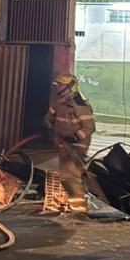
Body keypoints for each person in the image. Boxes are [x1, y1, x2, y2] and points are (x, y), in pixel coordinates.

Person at [44, 73, 96, 215]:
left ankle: (80, 211)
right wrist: (48, 125)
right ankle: (78, 206)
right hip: (63, 146)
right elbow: (50, 117)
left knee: (70, 178)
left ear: (69, 87)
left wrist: (75, 137)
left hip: (75, 147)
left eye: (60, 84)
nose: (58, 87)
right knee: (67, 177)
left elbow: (89, 127)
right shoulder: (59, 102)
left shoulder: (80, 106)